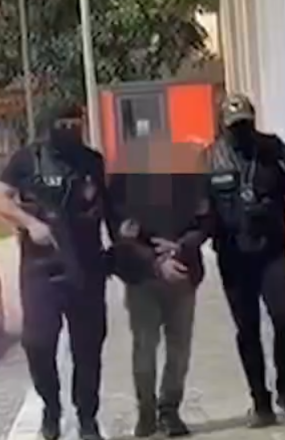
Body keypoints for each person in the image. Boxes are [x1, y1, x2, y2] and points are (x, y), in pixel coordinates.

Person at [0, 105, 126, 440]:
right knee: (37, 343)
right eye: (63, 124)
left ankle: (87, 418)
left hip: (86, 266)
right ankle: (51, 406)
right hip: (41, 268)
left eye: (75, 123)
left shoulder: (92, 162)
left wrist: (122, 249)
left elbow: (110, 210)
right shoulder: (27, 159)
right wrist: (30, 223)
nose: (69, 129)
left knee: (88, 348)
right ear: (50, 126)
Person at [203, 93, 285, 428]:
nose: (240, 131)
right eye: (233, 126)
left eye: (245, 124)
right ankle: (260, 400)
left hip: (271, 252)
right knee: (248, 329)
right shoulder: (209, 160)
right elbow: (195, 212)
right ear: (223, 126)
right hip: (233, 257)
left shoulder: (275, 153)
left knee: (284, 320)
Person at [107, 142, 209, 438]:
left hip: (182, 274)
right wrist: (155, 260)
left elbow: (205, 222)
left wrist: (180, 247)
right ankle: (147, 412)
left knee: (179, 348)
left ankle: (169, 410)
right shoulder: (125, 180)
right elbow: (119, 231)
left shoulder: (189, 176)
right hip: (142, 278)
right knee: (145, 346)